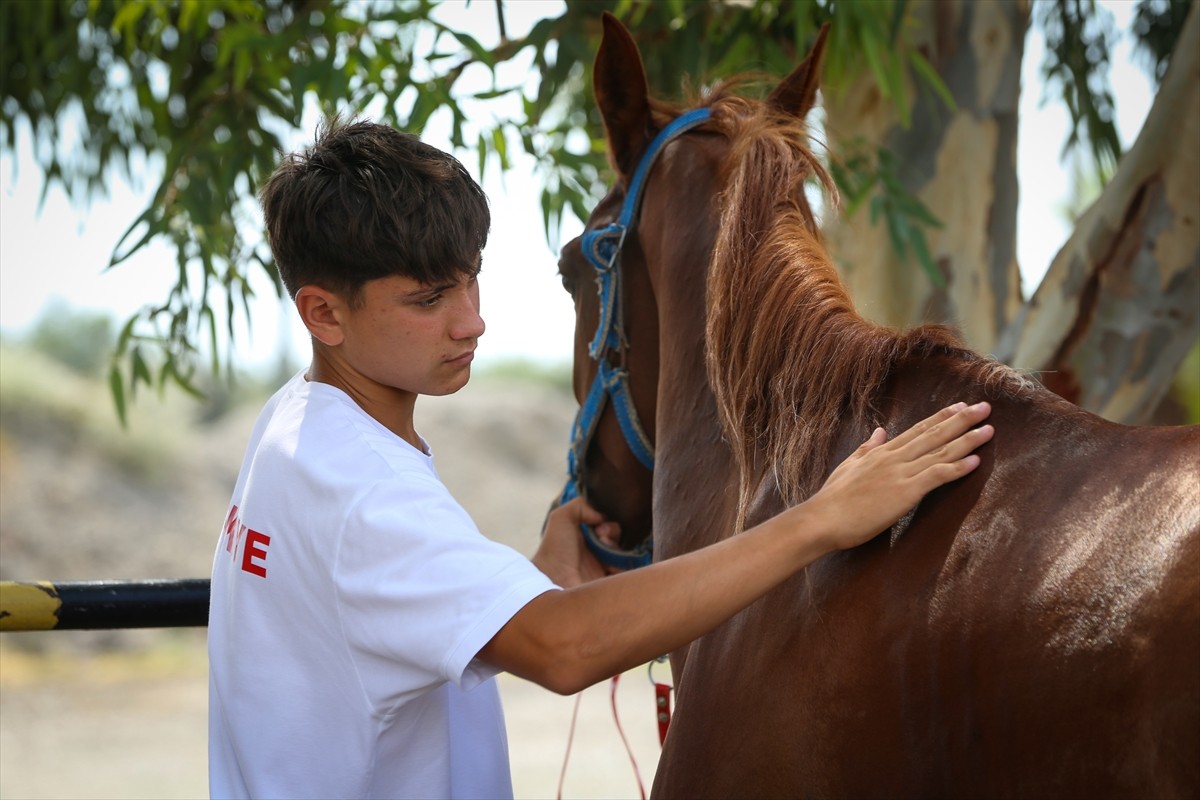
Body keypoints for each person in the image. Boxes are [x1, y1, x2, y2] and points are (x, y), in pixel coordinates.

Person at [207, 116, 994, 800]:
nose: (471, 322)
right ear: (322, 313)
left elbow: (373, 609)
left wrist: (531, 579)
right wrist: (819, 520)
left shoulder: (296, 427)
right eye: (427, 300)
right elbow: (563, 648)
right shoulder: (362, 489)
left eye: (471, 281)